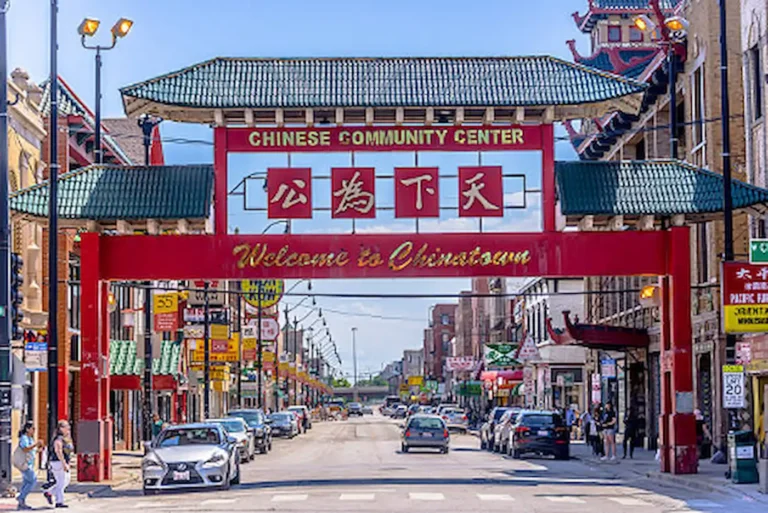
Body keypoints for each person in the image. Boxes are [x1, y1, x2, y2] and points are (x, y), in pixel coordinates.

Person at [47, 420, 74, 508]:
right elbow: (58, 451)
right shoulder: (58, 439)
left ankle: (49, 493)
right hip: (57, 462)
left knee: (65, 481)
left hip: (62, 462)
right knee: (61, 482)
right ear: (61, 428)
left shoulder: (64, 438)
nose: (68, 429)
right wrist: (63, 463)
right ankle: (59, 501)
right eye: (66, 427)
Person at [16, 422, 43, 510]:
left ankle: (21, 501)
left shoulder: (29, 438)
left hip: (29, 463)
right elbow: (25, 449)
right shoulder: (24, 438)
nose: (34, 431)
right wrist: (36, 444)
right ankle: (21, 497)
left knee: (26, 481)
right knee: (32, 480)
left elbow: (31, 451)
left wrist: (38, 449)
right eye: (33, 429)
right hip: (24, 463)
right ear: (27, 429)